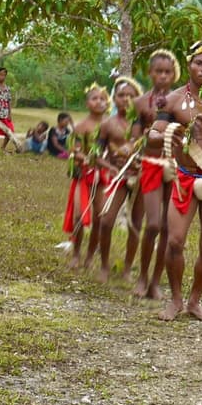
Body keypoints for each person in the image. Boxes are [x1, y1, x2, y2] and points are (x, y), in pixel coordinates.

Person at [150, 41, 202, 322]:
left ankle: (195, 301)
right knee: (175, 241)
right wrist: (175, 131)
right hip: (185, 177)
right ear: (189, 65)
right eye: (200, 63)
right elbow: (153, 135)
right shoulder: (172, 100)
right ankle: (175, 300)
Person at [132, 50, 178, 299]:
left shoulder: (179, 100)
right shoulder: (141, 103)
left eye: (167, 72)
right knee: (152, 225)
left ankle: (155, 282)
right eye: (158, 71)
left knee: (168, 228)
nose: (162, 76)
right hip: (150, 164)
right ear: (150, 73)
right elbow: (135, 135)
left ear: (174, 74)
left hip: (174, 166)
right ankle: (142, 276)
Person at [95, 76, 143, 283]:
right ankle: (104, 265)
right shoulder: (107, 125)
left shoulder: (144, 123)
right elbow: (95, 155)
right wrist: (112, 168)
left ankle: (127, 269)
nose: (126, 99)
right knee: (106, 222)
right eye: (121, 95)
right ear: (114, 99)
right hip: (118, 179)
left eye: (131, 96)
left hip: (141, 179)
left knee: (135, 225)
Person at [63, 85, 109, 269]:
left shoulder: (111, 125)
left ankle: (90, 255)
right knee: (78, 217)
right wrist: (89, 159)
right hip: (84, 175)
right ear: (87, 103)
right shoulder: (81, 127)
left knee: (99, 217)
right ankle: (76, 253)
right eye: (94, 98)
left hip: (103, 176)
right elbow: (75, 151)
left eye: (102, 99)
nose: (99, 102)